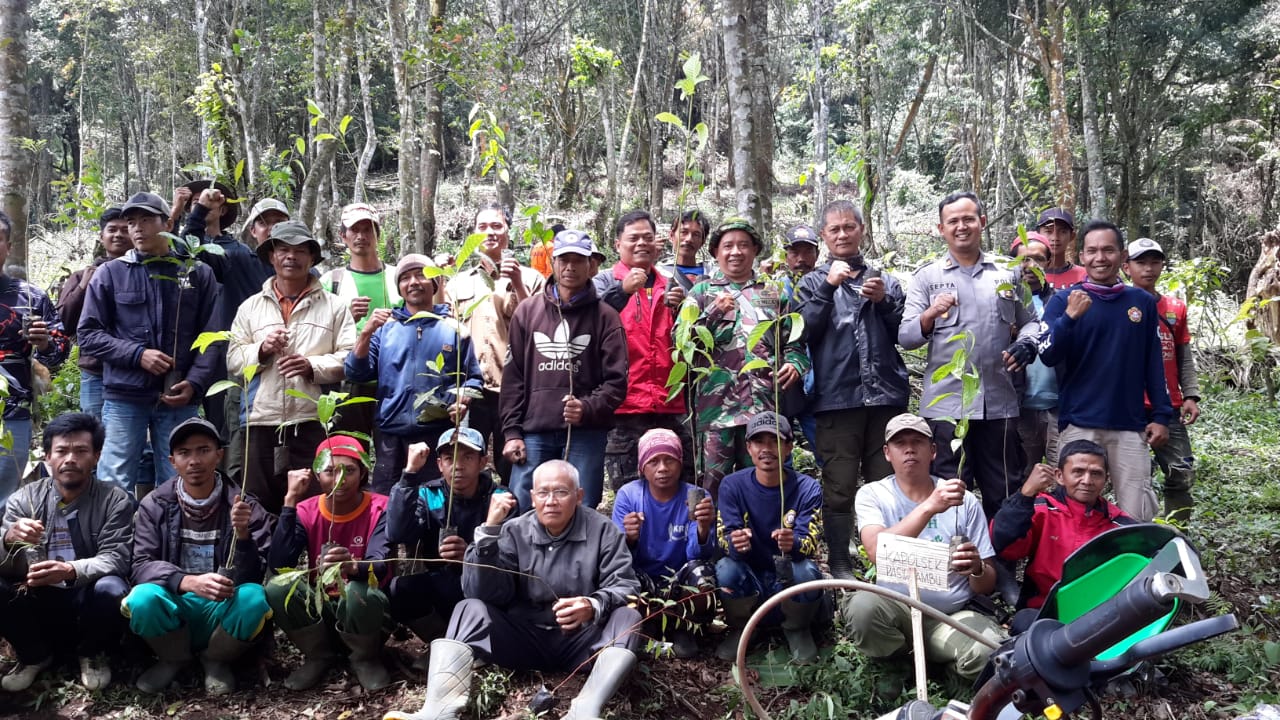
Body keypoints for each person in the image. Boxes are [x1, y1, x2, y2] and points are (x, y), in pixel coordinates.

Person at [383, 460, 642, 720]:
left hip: (582, 644)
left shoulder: (603, 530)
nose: (551, 500)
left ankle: (585, 711)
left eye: (561, 492)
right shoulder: (515, 530)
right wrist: (487, 533)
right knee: (467, 608)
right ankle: (439, 710)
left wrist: (592, 604)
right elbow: (481, 592)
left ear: (579, 496)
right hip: (523, 638)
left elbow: (627, 586)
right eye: (543, 492)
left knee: (629, 618)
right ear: (532, 497)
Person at [899, 192, 1039, 520]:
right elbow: (906, 337)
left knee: (1003, 488)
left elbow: (1032, 323)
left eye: (968, 219)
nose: (961, 227)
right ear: (941, 228)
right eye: (953, 221)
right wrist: (930, 314)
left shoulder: (1008, 273)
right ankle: (953, 564)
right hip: (947, 407)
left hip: (998, 402)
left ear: (982, 223)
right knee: (949, 491)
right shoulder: (927, 277)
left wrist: (1027, 345)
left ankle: (999, 566)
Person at [841, 413, 1005, 681]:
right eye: (900, 443)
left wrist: (976, 569)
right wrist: (929, 507)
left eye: (917, 442)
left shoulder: (964, 501)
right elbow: (876, 553)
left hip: (951, 615)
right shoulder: (873, 494)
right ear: (887, 453)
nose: (909, 449)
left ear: (933, 451)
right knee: (862, 608)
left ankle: (950, 671)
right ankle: (896, 664)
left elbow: (986, 584)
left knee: (988, 652)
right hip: (896, 612)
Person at [78, 192, 221, 498]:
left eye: (146, 220)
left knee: (180, 475)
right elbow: (88, 333)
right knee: (115, 475)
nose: (137, 228)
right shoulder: (111, 274)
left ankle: (173, 543)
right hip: (124, 396)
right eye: (132, 222)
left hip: (178, 396)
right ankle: (115, 545)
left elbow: (212, 336)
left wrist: (194, 383)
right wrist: (137, 355)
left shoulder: (195, 272)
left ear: (168, 223)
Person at [796, 200, 909, 580]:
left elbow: (905, 334)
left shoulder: (885, 279)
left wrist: (884, 301)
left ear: (862, 229)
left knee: (884, 483)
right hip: (835, 399)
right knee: (839, 483)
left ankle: (884, 557)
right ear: (824, 237)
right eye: (834, 230)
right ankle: (842, 560)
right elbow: (804, 331)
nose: (842, 234)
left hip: (885, 398)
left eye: (849, 227)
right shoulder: (812, 281)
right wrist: (828, 287)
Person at [122, 418, 273, 695]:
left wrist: (242, 535)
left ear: (219, 455)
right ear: (172, 461)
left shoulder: (244, 504)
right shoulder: (154, 504)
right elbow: (141, 565)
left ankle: (216, 660)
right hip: (176, 605)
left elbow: (256, 573)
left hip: (221, 607)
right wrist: (186, 581)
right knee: (141, 598)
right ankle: (172, 658)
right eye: (184, 453)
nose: (194, 460)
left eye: (203, 450)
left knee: (254, 598)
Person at [1038, 221, 1173, 522]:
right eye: (1093, 251)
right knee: (1074, 509)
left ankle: (1135, 568)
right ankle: (1074, 568)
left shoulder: (1141, 302)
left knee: (1136, 512)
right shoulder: (1063, 300)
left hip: (1129, 424)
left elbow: (1153, 361)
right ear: (1082, 255)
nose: (1100, 258)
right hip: (1079, 422)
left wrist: (1162, 415)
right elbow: (1046, 354)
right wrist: (1070, 319)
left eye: (1108, 250)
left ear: (1122, 256)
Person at [226, 220, 356, 515]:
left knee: (314, 501)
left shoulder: (335, 307)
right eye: (283, 250)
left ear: (312, 258)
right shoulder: (250, 307)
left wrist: (312, 366)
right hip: (260, 418)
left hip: (312, 418)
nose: (291, 257)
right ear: (271, 256)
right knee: (258, 500)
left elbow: (349, 358)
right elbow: (233, 359)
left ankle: (312, 558)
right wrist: (261, 350)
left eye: (300, 251)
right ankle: (264, 559)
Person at [0, 413, 133, 691]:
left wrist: (72, 570)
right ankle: (34, 656)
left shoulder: (114, 500)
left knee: (112, 587)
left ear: (96, 456)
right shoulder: (23, 499)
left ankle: (92, 652)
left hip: (84, 596)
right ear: (48, 456)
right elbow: (4, 565)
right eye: (61, 450)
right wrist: (9, 540)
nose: (70, 458)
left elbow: (117, 557)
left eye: (81, 451)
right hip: (36, 595)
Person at [501, 229, 627, 512]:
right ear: (553, 263)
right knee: (526, 505)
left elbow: (617, 382)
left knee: (581, 506)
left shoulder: (606, 317)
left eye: (578, 260)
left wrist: (587, 407)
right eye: (563, 260)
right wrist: (511, 432)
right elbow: (513, 378)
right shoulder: (527, 312)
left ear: (591, 265)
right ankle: (529, 558)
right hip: (534, 431)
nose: (570, 267)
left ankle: (578, 558)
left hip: (585, 433)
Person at [682, 218, 810, 498]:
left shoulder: (772, 294)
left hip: (764, 410)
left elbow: (795, 344)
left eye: (743, 245)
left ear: (755, 250)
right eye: (728, 246)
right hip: (716, 414)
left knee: (766, 489)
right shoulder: (701, 293)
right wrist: (713, 312)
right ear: (716, 252)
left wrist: (795, 365)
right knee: (713, 491)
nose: (735, 252)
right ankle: (713, 542)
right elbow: (682, 347)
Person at [345, 254, 482, 492]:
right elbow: (356, 373)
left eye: (421, 275)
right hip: (391, 434)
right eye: (405, 277)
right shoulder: (386, 328)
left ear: (434, 284)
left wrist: (463, 398)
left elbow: (473, 378)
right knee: (388, 503)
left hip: (437, 433)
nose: (413, 282)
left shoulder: (452, 328)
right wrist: (366, 332)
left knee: (434, 502)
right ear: (399, 287)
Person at [267, 435, 391, 692]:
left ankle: (365, 658)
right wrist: (289, 501)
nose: (339, 480)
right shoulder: (306, 510)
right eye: (330, 471)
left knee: (358, 590)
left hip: (366, 613)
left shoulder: (380, 508)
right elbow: (280, 562)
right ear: (316, 475)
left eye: (350, 470)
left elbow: (382, 565)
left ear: (363, 472)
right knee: (277, 586)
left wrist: (353, 567)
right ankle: (318, 656)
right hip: (322, 606)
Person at [386, 428, 515, 658]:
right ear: (439, 464)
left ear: (483, 462)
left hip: (484, 588)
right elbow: (397, 533)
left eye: (467, 457)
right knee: (400, 589)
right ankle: (445, 643)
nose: (458, 466)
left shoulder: (500, 498)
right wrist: (409, 473)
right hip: (441, 584)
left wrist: (471, 554)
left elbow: (512, 560)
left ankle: (479, 645)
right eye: (449, 458)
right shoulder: (429, 494)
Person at [445, 203, 546, 483]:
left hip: (515, 390)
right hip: (470, 391)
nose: (490, 233)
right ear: (473, 235)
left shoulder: (532, 278)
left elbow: (541, 326)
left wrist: (516, 282)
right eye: (482, 227)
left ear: (508, 233)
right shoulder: (457, 284)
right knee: (465, 460)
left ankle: (514, 521)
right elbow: (447, 334)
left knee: (514, 462)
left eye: (497, 226)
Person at [593, 209, 693, 489]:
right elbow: (588, 323)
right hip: (623, 407)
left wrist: (683, 307)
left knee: (679, 488)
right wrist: (621, 292)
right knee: (630, 491)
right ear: (617, 245)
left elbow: (689, 338)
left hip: (669, 403)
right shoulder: (603, 281)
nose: (641, 244)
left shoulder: (672, 282)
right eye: (633, 238)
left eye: (647, 238)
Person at [715, 412, 824, 664]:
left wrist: (793, 543)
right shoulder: (732, 485)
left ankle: (797, 628)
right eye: (759, 442)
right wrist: (735, 542)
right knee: (725, 569)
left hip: (787, 581)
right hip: (750, 579)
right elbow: (723, 536)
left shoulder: (807, 488)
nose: (766, 449)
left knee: (807, 571)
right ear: (748, 448)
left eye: (774, 441)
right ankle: (744, 628)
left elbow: (810, 542)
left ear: (788, 447)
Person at [990, 440, 1135, 617]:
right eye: (1078, 472)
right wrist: (1025, 494)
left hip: (1096, 614)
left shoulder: (1119, 525)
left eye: (1096, 474)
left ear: (1106, 479)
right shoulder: (1042, 509)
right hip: (1041, 610)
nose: (1087, 481)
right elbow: (1002, 545)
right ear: (1060, 476)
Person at [611, 429, 717, 658]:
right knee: (622, 580)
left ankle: (685, 629)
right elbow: (616, 558)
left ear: (680, 463)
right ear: (642, 467)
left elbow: (698, 556)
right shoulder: (629, 496)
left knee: (703, 574)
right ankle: (645, 629)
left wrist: (703, 527)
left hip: (679, 581)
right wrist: (629, 538)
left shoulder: (696, 496)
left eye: (669, 459)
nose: (662, 468)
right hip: (644, 581)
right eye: (653, 461)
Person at [1124, 238, 1201, 519]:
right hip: (1129, 407)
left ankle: (1176, 534)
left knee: (1181, 473)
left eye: (1154, 262)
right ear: (1126, 266)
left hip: (1168, 407)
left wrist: (1191, 395)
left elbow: (1183, 355)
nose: (1148, 269)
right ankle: (1133, 533)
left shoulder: (1174, 308)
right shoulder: (1119, 304)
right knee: (1132, 477)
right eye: (1141, 262)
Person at [0, 210, 71, 504]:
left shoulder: (30, 297)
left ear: (8, 246)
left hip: (13, 412)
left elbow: (59, 355)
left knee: (4, 496)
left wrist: (43, 345)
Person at [56, 206, 131, 417]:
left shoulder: (145, 275)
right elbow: (62, 323)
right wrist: (83, 288)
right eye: (112, 229)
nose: (118, 234)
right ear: (102, 236)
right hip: (94, 369)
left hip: (132, 370)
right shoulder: (81, 277)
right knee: (94, 432)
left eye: (125, 229)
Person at [1013, 235, 1061, 470]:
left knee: (1062, 476)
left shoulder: (1062, 301)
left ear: (1049, 263)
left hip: (1059, 405)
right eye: (1023, 259)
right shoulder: (1004, 301)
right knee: (1021, 480)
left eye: (1037, 259)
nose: (1029, 265)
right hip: (1019, 405)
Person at [660, 209, 713, 290]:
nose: (689, 239)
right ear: (671, 235)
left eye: (696, 235)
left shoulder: (712, 274)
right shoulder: (660, 274)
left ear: (703, 241)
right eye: (684, 232)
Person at [1036, 208, 1087, 291]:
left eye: (1062, 231)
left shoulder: (1085, 276)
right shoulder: (1030, 275)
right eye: (1049, 231)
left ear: (1072, 236)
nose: (1055, 238)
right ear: (1038, 235)